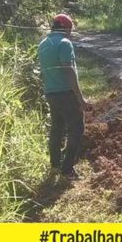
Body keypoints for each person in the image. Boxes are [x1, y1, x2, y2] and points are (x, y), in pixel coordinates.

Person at [38, 14, 87, 179]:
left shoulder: (43, 44)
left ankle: (55, 164)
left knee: (57, 128)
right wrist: (80, 97)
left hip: (50, 92)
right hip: (66, 93)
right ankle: (67, 170)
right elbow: (68, 69)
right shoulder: (65, 43)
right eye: (70, 30)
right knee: (77, 129)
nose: (71, 33)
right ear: (66, 28)